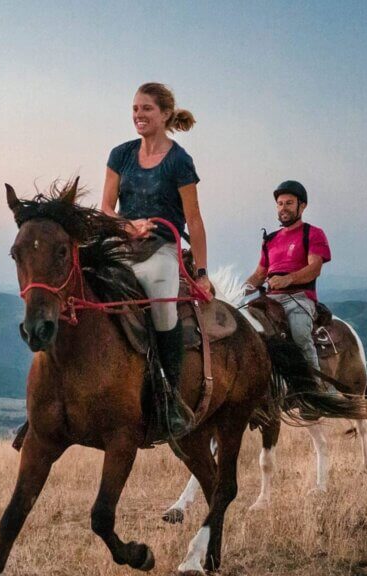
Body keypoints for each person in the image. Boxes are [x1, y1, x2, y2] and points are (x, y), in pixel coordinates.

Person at [101, 82, 211, 440]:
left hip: (162, 249)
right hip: (119, 245)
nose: (138, 115)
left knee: (163, 309)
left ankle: (171, 397)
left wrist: (202, 273)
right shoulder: (120, 154)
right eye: (135, 109)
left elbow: (193, 220)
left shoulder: (180, 161)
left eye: (146, 109)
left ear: (164, 114)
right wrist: (126, 225)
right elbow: (105, 208)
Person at [244, 180, 331, 377]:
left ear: (302, 206)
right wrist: (238, 291)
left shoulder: (312, 233)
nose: (283, 208)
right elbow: (259, 274)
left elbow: (315, 268)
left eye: (289, 203)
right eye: (280, 203)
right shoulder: (270, 239)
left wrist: (288, 279)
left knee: (300, 334)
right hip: (270, 299)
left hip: (299, 298)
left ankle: (314, 387)